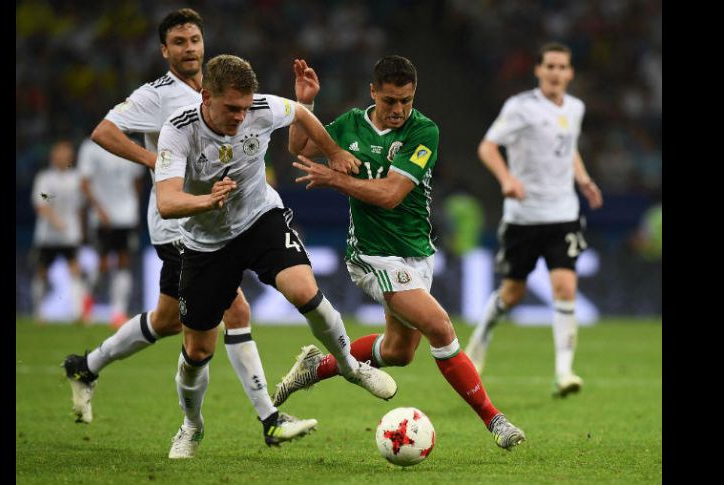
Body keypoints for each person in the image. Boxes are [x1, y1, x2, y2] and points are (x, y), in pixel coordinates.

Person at [154, 54, 397, 459]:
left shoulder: (262, 108)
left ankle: (351, 367)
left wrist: (333, 151)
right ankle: (191, 425)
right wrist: (205, 201)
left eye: (245, 107)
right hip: (206, 242)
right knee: (197, 351)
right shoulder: (179, 131)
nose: (240, 117)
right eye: (231, 108)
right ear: (206, 96)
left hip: (259, 219)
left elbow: (300, 112)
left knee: (304, 291)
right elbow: (166, 202)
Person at [283, 56, 525, 450]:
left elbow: (391, 195)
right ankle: (495, 420)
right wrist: (305, 105)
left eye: (406, 101)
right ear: (373, 92)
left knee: (398, 352)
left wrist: (336, 180)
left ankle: (317, 366)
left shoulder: (423, 130)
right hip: (371, 256)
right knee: (440, 327)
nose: (398, 110)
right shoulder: (351, 124)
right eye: (390, 101)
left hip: (416, 252)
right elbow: (300, 145)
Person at [62, 10, 260, 440]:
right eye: (179, 42)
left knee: (167, 319)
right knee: (236, 308)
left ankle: (85, 366)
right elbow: (104, 131)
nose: (189, 49)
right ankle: (270, 416)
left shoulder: (215, 88)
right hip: (177, 224)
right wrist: (155, 160)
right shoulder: (155, 95)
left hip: (208, 219)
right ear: (164, 50)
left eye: (194, 40)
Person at [463, 42, 603, 397]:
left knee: (565, 287)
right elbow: (487, 147)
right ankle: (481, 338)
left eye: (562, 67)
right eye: (550, 66)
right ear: (538, 70)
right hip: (523, 217)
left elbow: (568, 148)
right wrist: (507, 179)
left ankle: (564, 372)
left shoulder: (575, 108)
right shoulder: (520, 107)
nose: (556, 73)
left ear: (570, 73)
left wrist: (583, 179)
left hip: (563, 214)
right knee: (512, 293)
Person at [77, 137, 145, 327]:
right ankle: (87, 302)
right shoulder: (90, 148)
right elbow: (84, 183)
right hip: (102, 217)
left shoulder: (133, 145)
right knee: (103, 264)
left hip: (126, 216)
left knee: (124, 261)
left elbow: (137, 181)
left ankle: (118, 312)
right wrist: (98, 209)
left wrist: (133, 207)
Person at [31, 140, 88, 322]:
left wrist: (82, 230)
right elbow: (41, 204)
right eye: (59, 154)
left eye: (66, 155)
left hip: (70, 234)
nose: (63, 158)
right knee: (42, 272)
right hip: (47, 235)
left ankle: (79, 313)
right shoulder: (45, 178)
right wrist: (55, 220)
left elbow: (80, 207)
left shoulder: (76, 178)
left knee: (75, 270)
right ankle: (38, 312)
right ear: (53, 157)